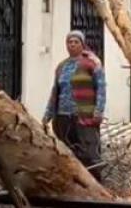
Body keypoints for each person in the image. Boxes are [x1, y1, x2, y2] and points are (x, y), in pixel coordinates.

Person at [42, 30, 106, 182]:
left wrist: (98, 111)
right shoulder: (61, 66)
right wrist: (47, 115)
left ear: (82, 44)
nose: (72, 44)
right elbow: (55, 91)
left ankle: (96, 189)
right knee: (67, 154)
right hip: (63, 118)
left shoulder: (92, 63)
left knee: (90, 155)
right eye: (69, 42)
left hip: (84, 117)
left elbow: (101, 88)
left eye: (76, 42)